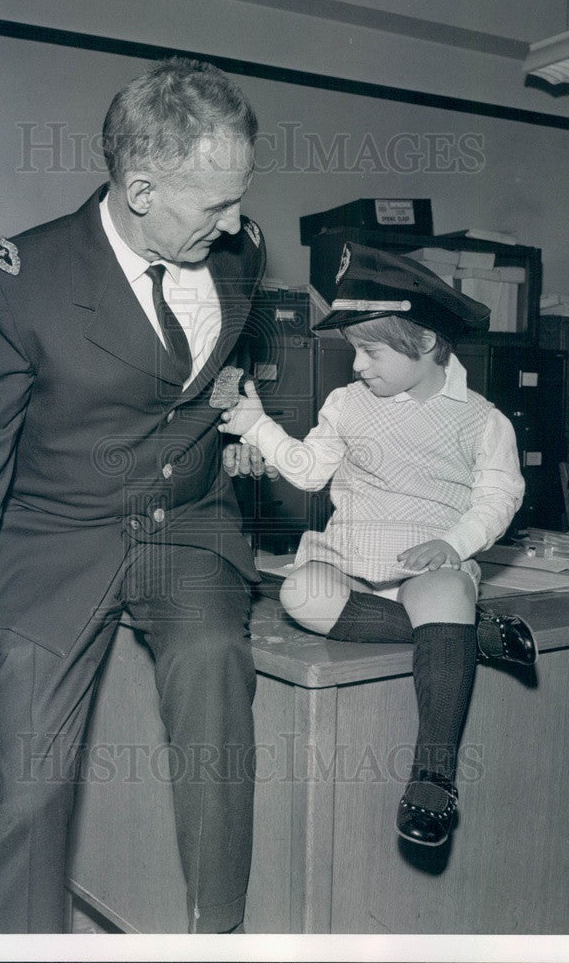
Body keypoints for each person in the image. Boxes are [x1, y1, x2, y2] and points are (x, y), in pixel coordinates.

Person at [0, 56, 272, 934]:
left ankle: (216, 928)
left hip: (188, 525)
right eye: (216, 206)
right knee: (30, 787)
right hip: (58, 534)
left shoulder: (239, 255)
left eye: (239, 200)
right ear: (141, 188)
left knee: (214, 674)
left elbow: (185, 387)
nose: (236, 223)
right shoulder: (15, 282)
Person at [219, 241, 537, 848]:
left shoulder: (482, 419)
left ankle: (434, 775)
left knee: (443, 589)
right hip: (350, 556)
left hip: (428, 556)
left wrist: (453, 542)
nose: (358, 363)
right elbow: (310, 470)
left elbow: (499, 498)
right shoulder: (346, 404)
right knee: (300, 595)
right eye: (353, 350)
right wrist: (259, 425)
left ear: (423, 341)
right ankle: (467, 634)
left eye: (370, 349)